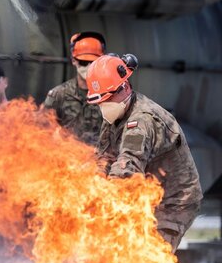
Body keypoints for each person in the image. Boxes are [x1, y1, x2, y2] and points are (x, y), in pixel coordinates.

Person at [86, 54, 203, 252]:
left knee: (149, 258)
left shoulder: (141, 120)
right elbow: (104, 158)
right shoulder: (115, 115)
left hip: (174, 202)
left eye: (108, 99)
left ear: (124, 87)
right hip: (147, 196)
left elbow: (127, 168)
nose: (104, 107)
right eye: (100, 102)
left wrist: (102, 200)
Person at [44, 31, 106, 145]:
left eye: (92, 62)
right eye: (83, 62)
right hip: (68, 159)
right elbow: (40, 130)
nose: (88, 67)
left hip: (100, 161)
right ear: (74, 61)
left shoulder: (110, 95)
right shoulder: (59, 94)